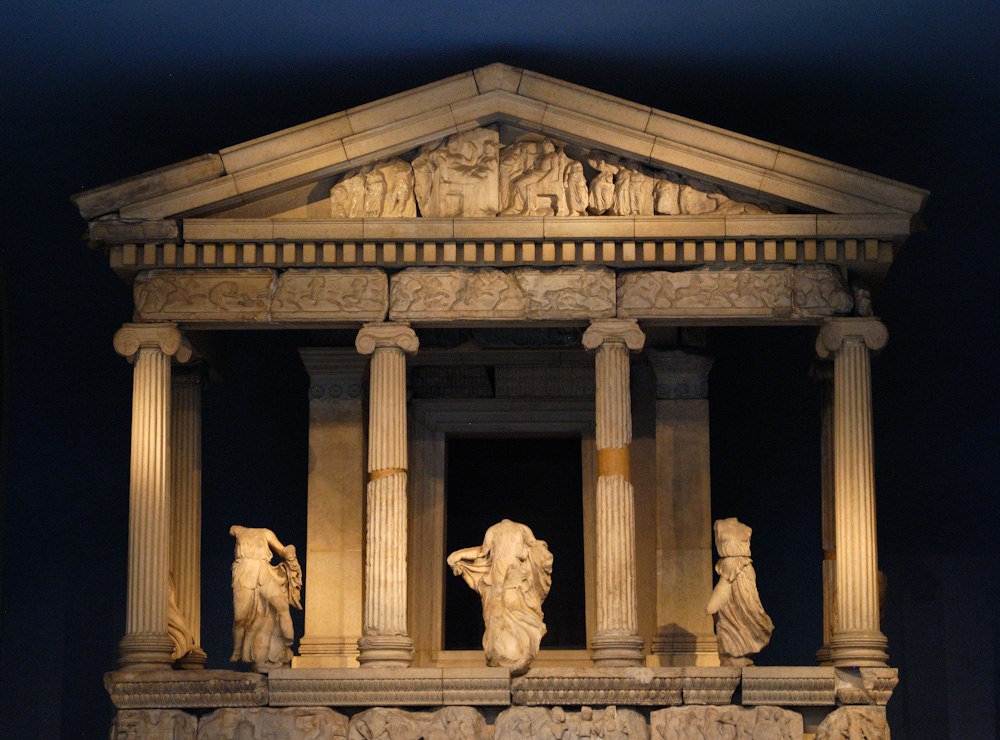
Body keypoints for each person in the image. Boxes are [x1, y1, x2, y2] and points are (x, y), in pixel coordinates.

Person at [447, 519, 553, 675]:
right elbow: (535, 548)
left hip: (504, 577)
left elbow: (482, 552)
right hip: (511, 576)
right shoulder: (522, 529)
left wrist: (459, 554)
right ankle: (509, 654)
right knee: (511, 614)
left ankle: (515, 654)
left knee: (502, 614)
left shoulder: (493, 530)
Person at [229, 525, 302, 671]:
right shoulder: (235, 529)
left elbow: (282, 550)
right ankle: (237, 650)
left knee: (281, 604)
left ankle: (289, 637)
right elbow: (231, 530)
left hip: (263, 571)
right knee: (240, 618)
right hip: (243, 573)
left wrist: (290, 551)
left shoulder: (267, 533)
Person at [706, 517, 773, 666]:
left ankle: (744, 649)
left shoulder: (746, 528)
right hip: (727, 568)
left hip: (744, 571)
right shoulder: (720, 525)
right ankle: (731, 652)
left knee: (749, 611)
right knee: (724, 613)